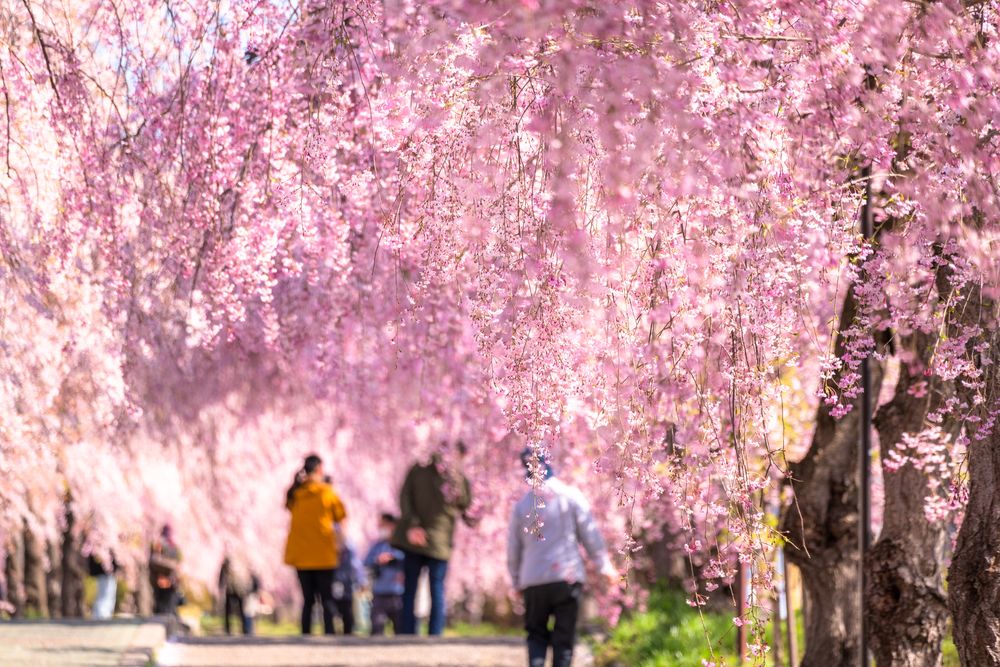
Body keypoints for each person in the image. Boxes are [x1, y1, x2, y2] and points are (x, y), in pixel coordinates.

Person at [507, 448, 618, 667]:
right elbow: (590, 535)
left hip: (533, 580)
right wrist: (604, 565)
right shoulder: (570, 495)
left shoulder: (522, 505)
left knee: (536, 635)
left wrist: (516, 580)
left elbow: (513, 549)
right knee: (564, 638)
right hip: (567, 577)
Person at [391, 442, 474, 635]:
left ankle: (407, 632)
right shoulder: (456, 476)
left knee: (410, 588)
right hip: (440, 541)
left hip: (413, 538)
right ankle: (435, 634)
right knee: (436, 588)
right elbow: (465, 503)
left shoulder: (418, 468)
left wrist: (413, 525)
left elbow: (405, 497)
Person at [284, 453, 347, 635]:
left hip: (301, 556)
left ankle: (305, 635)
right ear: (320, 469)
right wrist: (340, 544)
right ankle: (330, 634)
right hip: (324, 555)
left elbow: (288, 506)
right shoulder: (328, 493)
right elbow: (342, 520)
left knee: (308, 600)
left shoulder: (296, 494)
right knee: (327, 598)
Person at [364, 513, 406, 635]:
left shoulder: (402, 546)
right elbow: (366, 562)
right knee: (376, 628)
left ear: (392, 526)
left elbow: (408, 562)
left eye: (383, 525)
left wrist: (393, 559)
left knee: (401, 630)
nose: (380, 528)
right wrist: (377, 560)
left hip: (398, 594)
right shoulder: (378, 546)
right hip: (379, 593)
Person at [331, 536, 367, 634]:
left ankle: (348, 633)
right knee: (331, 610)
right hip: (332, 585)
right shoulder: (329, 551)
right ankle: (332, 633)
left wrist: (361, 581)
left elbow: (356, 567)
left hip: (347, 587)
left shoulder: (349, 550)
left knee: (347, 611)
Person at [218, 556, 259, 635]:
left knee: (240, 610)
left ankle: (243, 629)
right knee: (231, 611)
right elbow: (222, 580)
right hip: (232, 590)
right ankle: (230, 629)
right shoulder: (227, 568)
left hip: (239, 590)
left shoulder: (240, 566)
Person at [149, 525, 182, 616]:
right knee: (164, 607)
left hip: (169, 581)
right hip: (163, 579)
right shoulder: (161, 544)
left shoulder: (172, 546)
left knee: (168, 606)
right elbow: (155, 560)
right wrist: (173, 566)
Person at [88, 550, 119, 619]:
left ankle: (103, 613)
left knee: (108, 594)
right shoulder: (100, 548)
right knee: (105, 594)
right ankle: (102, 613)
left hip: (107, 574)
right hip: (104, 574)